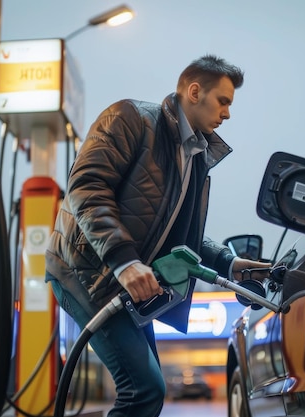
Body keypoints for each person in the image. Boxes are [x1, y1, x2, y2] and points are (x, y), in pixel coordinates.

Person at [45, 54, 271, 416]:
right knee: (143, 389)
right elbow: (87, 188)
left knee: (150, 392)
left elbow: (184, 236)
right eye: (223, 101)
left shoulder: (194, 156)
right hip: (87, 272)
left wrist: (230, 263)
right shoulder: (130, 118)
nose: (227, 113)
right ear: (194, 91)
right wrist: (125, 261)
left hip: (129, 285)